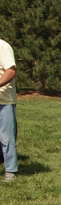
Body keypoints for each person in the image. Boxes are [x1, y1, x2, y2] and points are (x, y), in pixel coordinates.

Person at [0, 38, 18, 182]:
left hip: (4, 102)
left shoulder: (3, 46)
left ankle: (10, 171)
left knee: (6, 138)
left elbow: (11, 71)